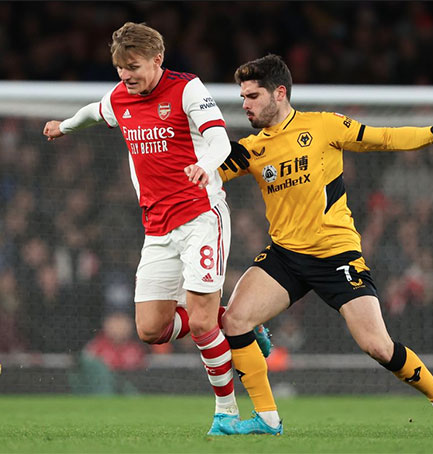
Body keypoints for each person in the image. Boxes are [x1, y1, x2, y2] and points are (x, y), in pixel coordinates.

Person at [217, 54, 433, 436]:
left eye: (253, 96)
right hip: (286, 255)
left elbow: (385, 138)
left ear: (279, 93)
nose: (245, 104)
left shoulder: (322, 126)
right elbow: (206, 175)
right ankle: (267, 419)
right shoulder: (251, 149)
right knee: (234, 321)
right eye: (243, 97)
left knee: (378, 346)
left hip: (336, 256)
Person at [42, 22, 269, 435]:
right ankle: (233, 319)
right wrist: (64, 126)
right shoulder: (120, 97)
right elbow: (94, 112)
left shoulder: (187, 89)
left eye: (133, 67)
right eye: (120, 68)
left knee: (200, 324)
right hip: (158, 228)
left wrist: (205, 166)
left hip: (201, 216)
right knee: (150, 329)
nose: (125, 75)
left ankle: (226, 412)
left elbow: (221, 141)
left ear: (157, 59)